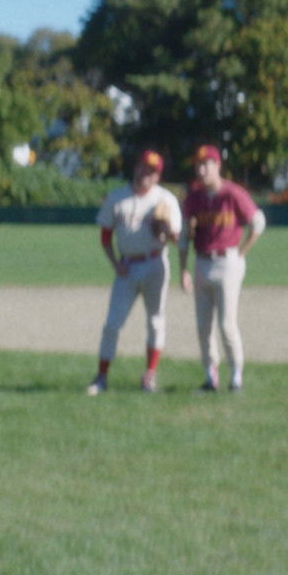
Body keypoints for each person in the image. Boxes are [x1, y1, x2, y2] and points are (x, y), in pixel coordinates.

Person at [85, 150, 181, 395]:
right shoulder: (117, 198)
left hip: (155, 264)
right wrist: (115, 264)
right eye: (143, 168)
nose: (145, 174)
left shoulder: (166, 199)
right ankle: (101, 376)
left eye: (151, 171)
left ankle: (149, 375)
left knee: (156, 321)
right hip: (126, 267)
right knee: (112, 324)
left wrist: (166, 229)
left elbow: (176, 239)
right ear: (136, 168)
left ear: (157, 176)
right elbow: (105, 236)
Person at [178, 145, 265, 393]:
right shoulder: (194, 197)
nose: (201, 169)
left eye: (206, 164)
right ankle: (210, 377)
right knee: (203, 327)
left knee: (226, 325)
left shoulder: (232, 193)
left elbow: (258, 222)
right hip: (202, 261)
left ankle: (236, 376)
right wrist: (183, 269)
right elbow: (184, 236)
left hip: (227, 261)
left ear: (218, 166)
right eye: (198, 165)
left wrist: (242, 252)